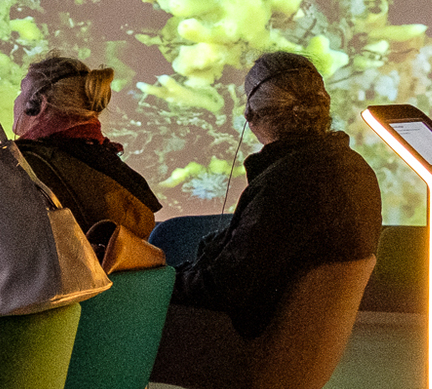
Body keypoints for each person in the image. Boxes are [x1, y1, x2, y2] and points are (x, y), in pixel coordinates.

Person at [163, 51, 381, 344]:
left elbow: (224, 289)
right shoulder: (353, 167)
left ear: (252, 115)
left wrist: (156, 282)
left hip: (251, 339)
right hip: (301, 341)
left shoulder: (287, 183)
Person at [11, 55, 161, 240]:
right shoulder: (107, 161)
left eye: (21, 91)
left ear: (37, 105)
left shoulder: (25, 163)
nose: (16, 101)